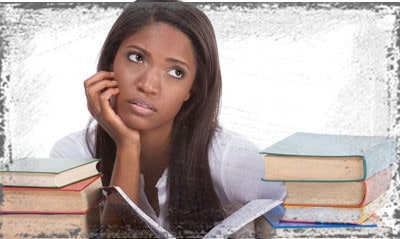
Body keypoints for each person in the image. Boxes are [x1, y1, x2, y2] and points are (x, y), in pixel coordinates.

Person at [51, 1, 285, 238]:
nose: (148, 85)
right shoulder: (74, 160)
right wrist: (127, 145)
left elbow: (303, 215)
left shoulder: (229, 157)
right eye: (136, 57)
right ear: (111, 61)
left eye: (176, 72)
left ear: (191, 90)